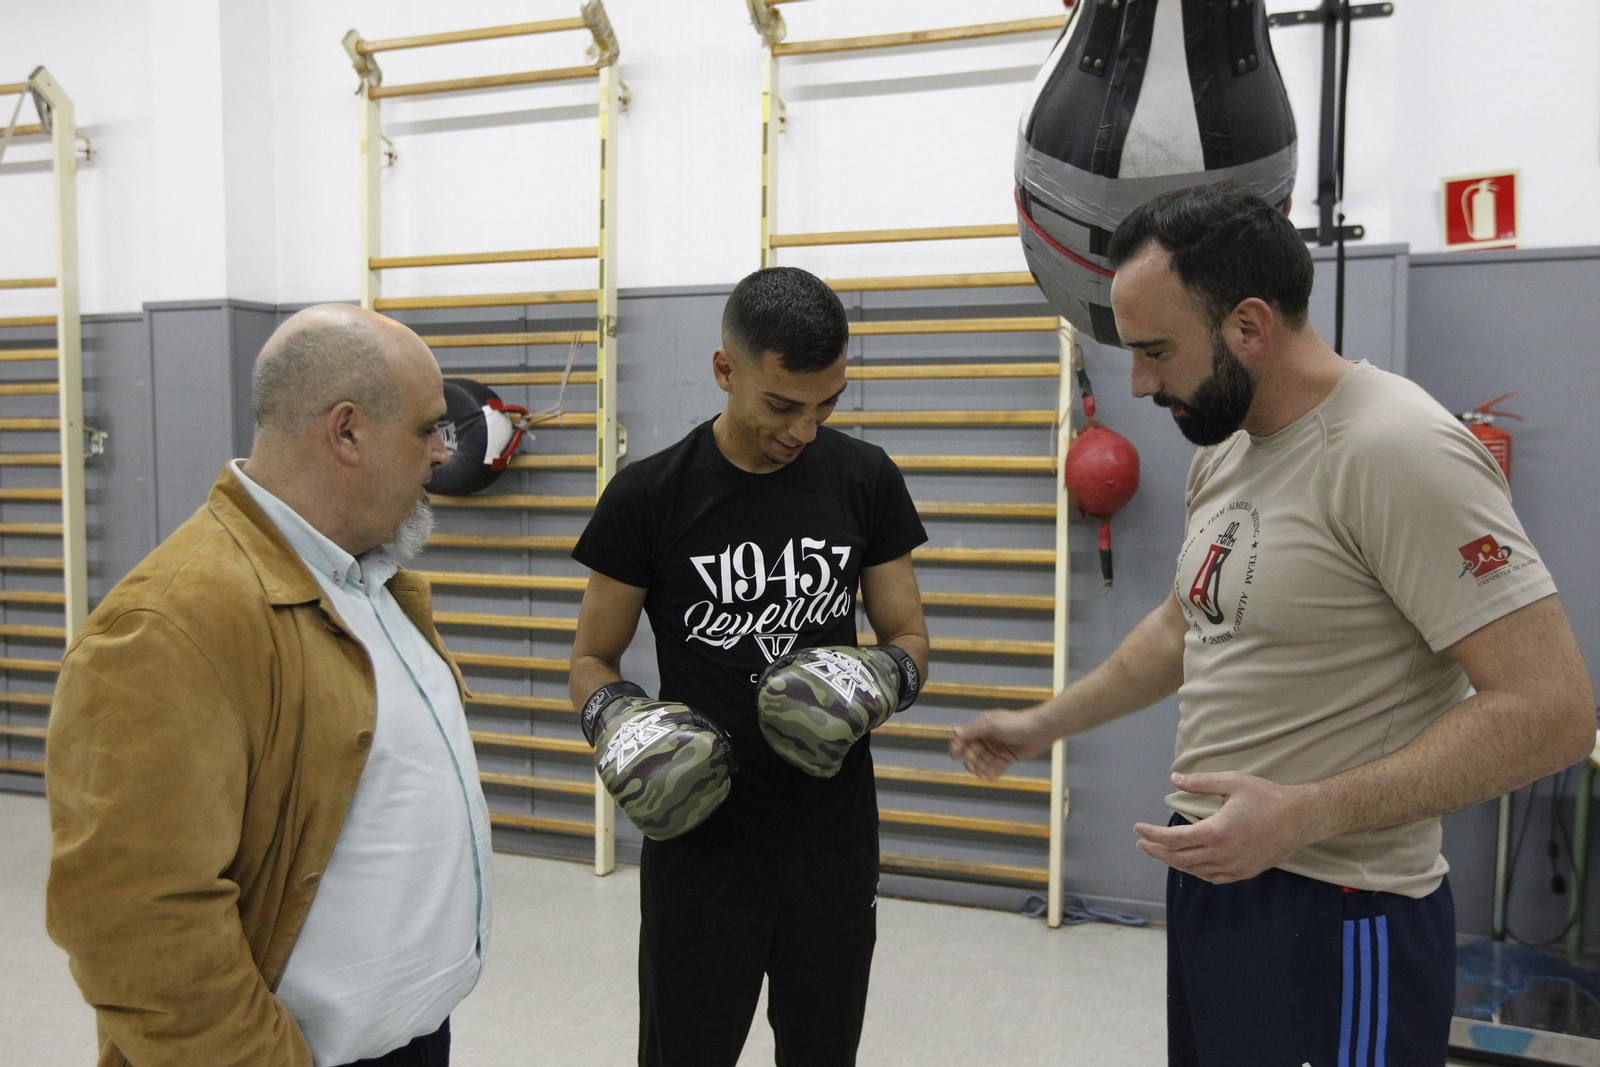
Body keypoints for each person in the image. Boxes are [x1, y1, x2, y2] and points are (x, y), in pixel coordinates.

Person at [951, 184, 1594, 1066]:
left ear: (1248, 325)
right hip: (1222, 889)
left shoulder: (1396, 446)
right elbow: (1186, 625)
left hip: (1341, 907)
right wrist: (1041, 724)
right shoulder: (1227, 444)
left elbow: (1552, 710)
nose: (1139, 383)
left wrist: (1305, 814)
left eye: (1155, 350)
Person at [46, 304, 494, 1067]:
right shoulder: (172, 624)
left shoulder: (368, 578)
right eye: (427, 429)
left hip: (412, 1039)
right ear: (345, 431)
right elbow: (137, 922)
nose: (442, 455)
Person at [568, 266, 931, 1067]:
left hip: (830, 842)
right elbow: (592, 657)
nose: (805, 428)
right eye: (782, 404)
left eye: (826, 402)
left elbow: (909, 635)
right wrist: (619, 722)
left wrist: (879, 680)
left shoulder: (864, 480)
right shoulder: (648, 496)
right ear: (725, 370)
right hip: (701, 845)